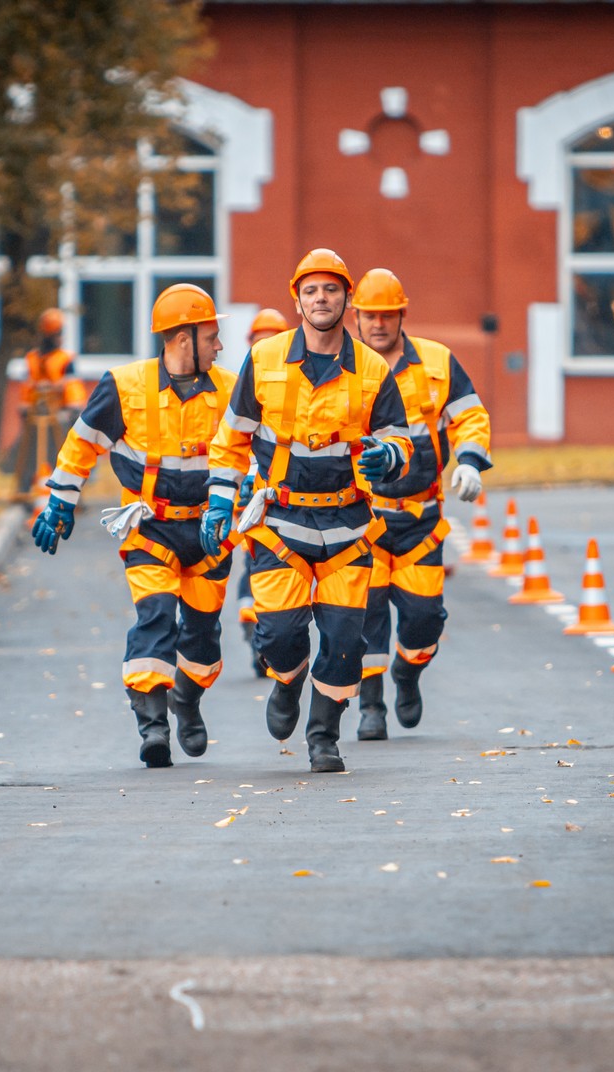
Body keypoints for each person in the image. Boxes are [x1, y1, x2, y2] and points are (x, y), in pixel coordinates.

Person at [202, 249, 413, 773]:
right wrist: (219, 501)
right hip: (280, 523)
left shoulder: (370, 367)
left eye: (332, 290)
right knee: (278, 635)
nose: (322, 299)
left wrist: (390, 455)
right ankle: (287, 680)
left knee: (345, 639)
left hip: (347, 522)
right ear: (297, 300)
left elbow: (400, 440)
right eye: (312, 290)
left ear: (347, 299)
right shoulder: (265, 358)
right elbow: (231, 439)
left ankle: (324, 736)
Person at [32, 285, 237, 769]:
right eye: (211, 335)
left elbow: (259, 451)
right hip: (151, 529)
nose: (220, 345)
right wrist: (59, 502)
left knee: (203, 635)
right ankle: (153, 726)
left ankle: (185, 698)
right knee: (157, 616)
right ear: (182, 338)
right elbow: (82, 444)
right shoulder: (125, 386)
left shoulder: (231, 389)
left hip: (211, 532)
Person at [350, 269, 493, 739]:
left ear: (401, 315)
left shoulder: (437, 362)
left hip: (420, 519)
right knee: (365, 618)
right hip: (362, 519)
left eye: (386, 315)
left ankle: (407, 674)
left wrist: (470, 460)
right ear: (356, 317)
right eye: (369, 315)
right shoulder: (341, 366)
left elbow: (470, 414)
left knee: (423, 619)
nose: (377, 324)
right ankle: (371, 706)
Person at [233, 307, 294, 677]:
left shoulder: (291, 379)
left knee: (264, 561)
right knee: (257, 557)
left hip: (279, 489)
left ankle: (261, 625)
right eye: (262, 338)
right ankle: (255, 622)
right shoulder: (243, 382)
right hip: (250, 487)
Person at [14, 308, 87, 497]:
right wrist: (25, 404)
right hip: (37, 413)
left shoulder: (65, 359)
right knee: (28, 448)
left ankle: (68, 487)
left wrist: (73, 408)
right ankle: (25, 486)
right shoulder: (32, 359)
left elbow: (72, 387)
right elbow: (27, 386)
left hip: (60, 413)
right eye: (58, 334)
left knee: (63, 449)